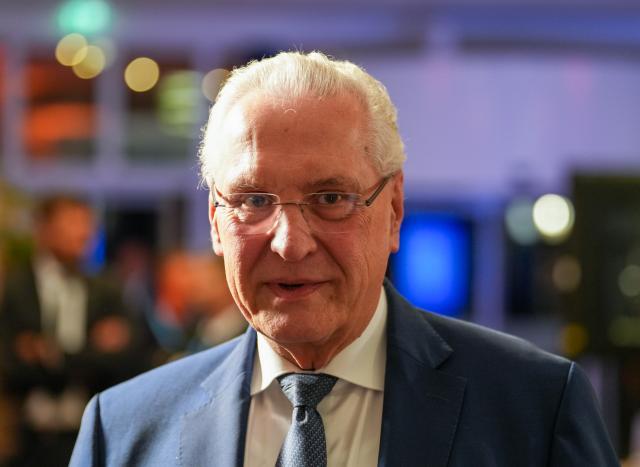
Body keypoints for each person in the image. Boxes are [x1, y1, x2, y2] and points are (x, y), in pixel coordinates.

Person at [70, 51, 618, 466]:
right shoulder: (122, 431)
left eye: (331, 199)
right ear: (216, 219)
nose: (289, 242)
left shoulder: (534, 408)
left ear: (395, 209)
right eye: (255, 200)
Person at [0, 195, 144, 466]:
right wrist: (90, 352)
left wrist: (50, 354)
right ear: (43, 229)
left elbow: (124, 360)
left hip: (89, 434)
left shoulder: (106, 290)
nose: (83, 233)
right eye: (72, 223)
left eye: (87, 224)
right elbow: (11, 363)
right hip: (24, 439)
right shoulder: (15, 287)